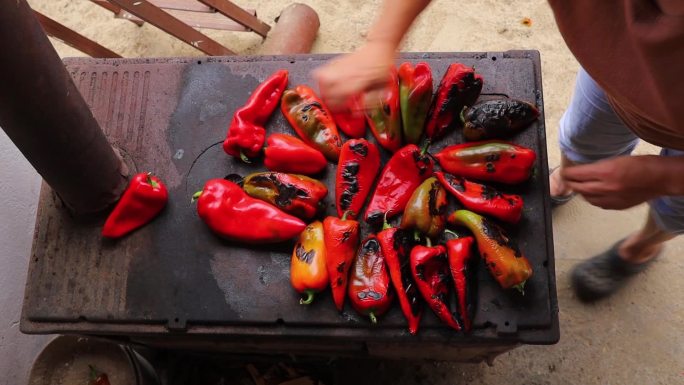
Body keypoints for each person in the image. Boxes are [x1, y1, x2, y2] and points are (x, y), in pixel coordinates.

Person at [313, 0, 684, 301]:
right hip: (613, 76)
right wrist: (381, 42)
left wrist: (663, 176)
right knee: (582, 141)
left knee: (675, 207)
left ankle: (641, 248)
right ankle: (566, 181)